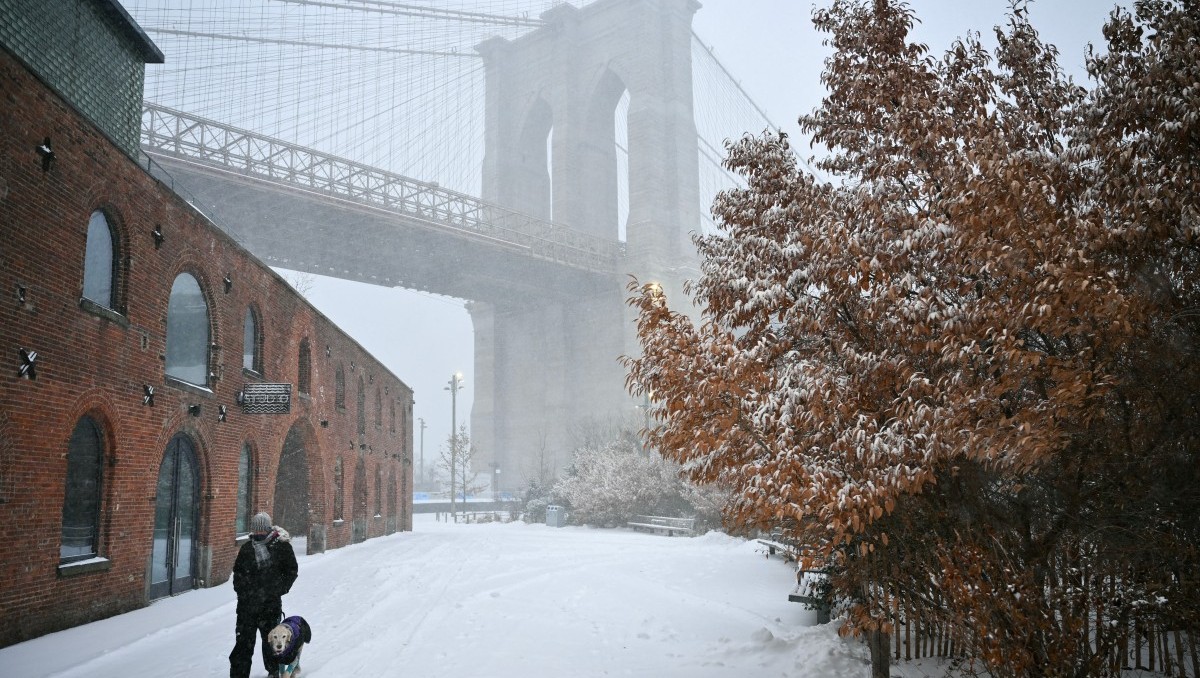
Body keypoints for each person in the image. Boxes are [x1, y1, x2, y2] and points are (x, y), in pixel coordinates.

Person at [229, 512, 298, 678]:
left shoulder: (282, 547)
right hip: (247, 606)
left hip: (270, 604)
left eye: (261, 530)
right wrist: (242, 590)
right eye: (256, 531)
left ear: (268, 529)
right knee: (243, 645)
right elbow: (238, 573)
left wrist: (278, 589)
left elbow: (291, 571)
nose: (258, 534)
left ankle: (275, 672)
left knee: (272, 643)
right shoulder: (247, 548)